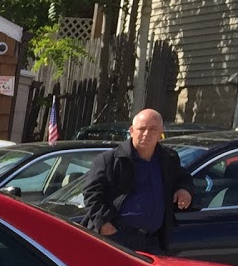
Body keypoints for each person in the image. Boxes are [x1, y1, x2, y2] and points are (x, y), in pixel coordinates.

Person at [80, 108, 195, 254]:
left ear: (161, 133)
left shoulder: (168, 158)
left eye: (153, 129)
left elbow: (183, 177)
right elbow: (91, 195)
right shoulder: (110, 160)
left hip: (152, 240)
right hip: (116, 237)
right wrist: (105, 226)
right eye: (142, 129)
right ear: (132, 131)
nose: (146, 134)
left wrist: (184, 189)